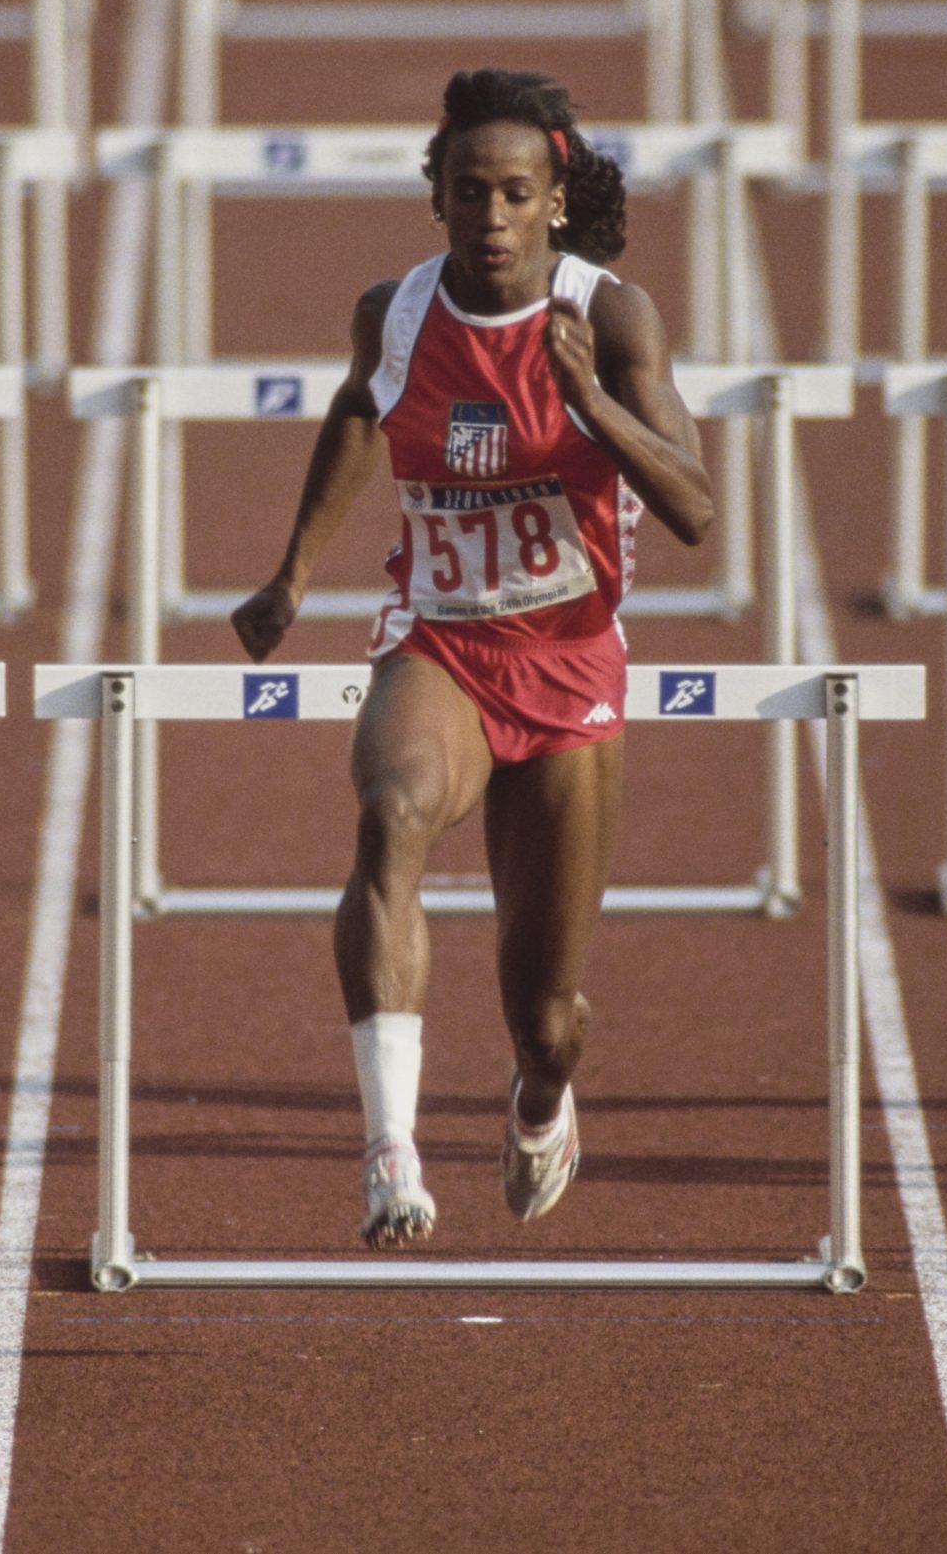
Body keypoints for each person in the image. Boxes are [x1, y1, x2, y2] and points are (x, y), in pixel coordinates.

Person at [232, 69, 714, 1246]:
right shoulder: (394, 313)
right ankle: (390, 1149)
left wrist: (588, 400)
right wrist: (293, 569)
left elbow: (697, 507)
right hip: (442, 641)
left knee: (544, 1013)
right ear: (434, 198)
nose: (488, 217)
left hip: (569, 660)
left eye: (511, 193)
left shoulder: (613, 315)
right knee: (390, 812)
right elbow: (359, 410)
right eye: (465, 193)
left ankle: (540, 1098)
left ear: (554, 200)